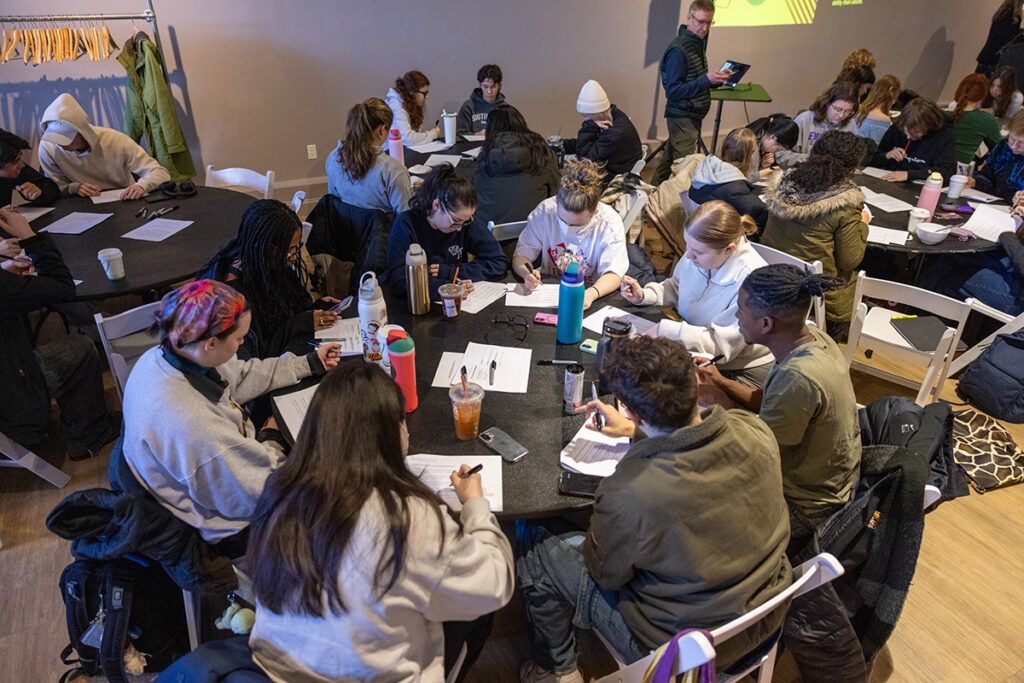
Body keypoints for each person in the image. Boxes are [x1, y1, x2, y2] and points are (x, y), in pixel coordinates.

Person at [516, 335, 792, 683]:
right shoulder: (755, 430)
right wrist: (636, 431)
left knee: (536, 539)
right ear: (695, 382)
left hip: (684, 654)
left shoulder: (629, 491)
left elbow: (605, 574)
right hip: (766, 619)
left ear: (629, 410)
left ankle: (555, 670)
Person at [247, 363, 513, 682]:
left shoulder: (278, 490)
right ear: (390, 432)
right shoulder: (407, 517)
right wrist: (475, 504)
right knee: (474, 610)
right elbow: (495, 583)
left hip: (282, 671)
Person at [122, 280, 340, 553]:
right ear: (211, 342)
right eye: (239, 339)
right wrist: (271, 439)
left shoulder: (167, 354)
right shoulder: (194, 423)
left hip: (222, 477)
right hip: (223, 526)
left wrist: (308, 363)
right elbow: (262, 493)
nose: (241, 345)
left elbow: (240, 374)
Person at [694, 264, 862, 520]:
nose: (736, 316)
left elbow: (760, 455)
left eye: (741, 310)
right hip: (828, 475)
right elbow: (768, 400)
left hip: (805, 505)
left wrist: (720, 403)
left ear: (765, 324)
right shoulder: (812, 338)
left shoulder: (799, 377)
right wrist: (720, 382)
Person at [0, 207, 120, 460]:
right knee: (80, 348)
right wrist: (28, 235)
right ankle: (89, 435)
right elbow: (63, 288)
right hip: (11, 402)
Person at [620, 199, 774, 385]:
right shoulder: (700, 250)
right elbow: (676, 286)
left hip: (737, 366)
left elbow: (721, 347)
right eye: (687, 245)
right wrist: (645, 295)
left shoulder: (750, 283)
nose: (689, 255)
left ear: (729, 250)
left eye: (698, 252)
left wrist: (666, 330)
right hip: (699, 345)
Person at [202, 199, 343, 360]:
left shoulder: (268, 264)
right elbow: (259, 355)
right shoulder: (234, 297)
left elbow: (289, 310)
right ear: (264, 247)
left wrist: (317, 308)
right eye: (289, 250)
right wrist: (300, 323)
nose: (294, 256)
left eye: (296, 248)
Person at [762, 131, 869, 336]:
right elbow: (850, 260)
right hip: (819, 295)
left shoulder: (784, 184)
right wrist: (863, 224)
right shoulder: (844, 204)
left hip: (774, 276)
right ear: (852, 166)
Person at [512, 158, 628, 310]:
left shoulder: (609, 222)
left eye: (577, 225)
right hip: (549, 289)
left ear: (595, 212)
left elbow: (614, 273)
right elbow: (520, 256)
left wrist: (591, 294)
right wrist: (526, 274)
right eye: (562, 220)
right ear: (557, 202)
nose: (567, 229)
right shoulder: (546, 211)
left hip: (591, 291)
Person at [384, 163, 506, 298]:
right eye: (455, 222)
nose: (460, 228)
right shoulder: (406, 224)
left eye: (466, 221)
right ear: (436, 205)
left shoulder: (463, 220)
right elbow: (398, 279)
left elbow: (498, 261)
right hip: (418, 304)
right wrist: (447, 289)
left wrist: (453, 273)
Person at [653, 0, 733, 184]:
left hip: (690, 115)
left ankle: (650, 198)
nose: (705, 28)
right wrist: (706, 79)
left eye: (709, 23)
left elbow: (692, 81)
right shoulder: (679, 50)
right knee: (684, 171)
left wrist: (715, 80)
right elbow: (673, 91)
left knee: (667, 164)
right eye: (701, 21)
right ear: (689, 18)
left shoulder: (695, 43)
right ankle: (676, 209)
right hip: (682, 116)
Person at [37, 93, 170, 199]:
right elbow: (53, 189)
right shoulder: (47, 147)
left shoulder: (115, 140)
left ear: (82, 132)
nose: (61, 145)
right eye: (56, 139)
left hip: (123, 201)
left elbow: (160, 173)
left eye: (67, 139)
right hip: (81, 207)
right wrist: (74, 188)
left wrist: (142, 186)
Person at [474, 104, 560, 229]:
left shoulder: (485, 159)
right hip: (537, 235)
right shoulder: (542, 153)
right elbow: (557, 193)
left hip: (493, 239)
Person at [326, 97, 412, 215]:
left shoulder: (333, 157)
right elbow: (405, 220)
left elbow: (333, 204)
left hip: (345, 230)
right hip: (384, 232)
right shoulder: (393, 170)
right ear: (382, 130)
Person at [688, 128, 769, 228]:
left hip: (699, 231)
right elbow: (761, 211)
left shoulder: (706, 172)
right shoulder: (736, 190)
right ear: (750, 156)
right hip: (722, 237)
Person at [776, 82, 861, 168]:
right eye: (838, 109)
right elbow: (780, 155)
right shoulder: (804, 119)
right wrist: (812, 159)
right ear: (827, 103)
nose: (841, 115)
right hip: (802, 171)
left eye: (848, 111)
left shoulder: (850, 124)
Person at [872, 97, 957, 182]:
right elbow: (874, 158)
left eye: (915, 133)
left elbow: (947, 171)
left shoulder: (944, 137)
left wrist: (909, 174)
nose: (908, 137)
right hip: (888, 178)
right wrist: (887, 155)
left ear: (928, 126)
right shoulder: (897, 128)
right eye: (905, 132)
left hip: (919, 185)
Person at [573, 80, 643, 179]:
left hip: (619, 177)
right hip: (620, 167)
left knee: (575, 177)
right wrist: (565, 144)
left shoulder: (615, 133)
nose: (585, 121)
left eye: (587, 117)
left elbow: (585, 161)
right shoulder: (615, 116)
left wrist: (589, 127)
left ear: (597, 114)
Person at [969, 110, 1024, 200]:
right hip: (990, 202)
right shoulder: (1004, 146)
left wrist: (1019, 200)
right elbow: (987, 175)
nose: (1014, 146)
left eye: (1021, 143)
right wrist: (975, 182)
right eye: (1012, 139)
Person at [951, 73, 1003, 165]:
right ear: (983, 95)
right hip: (962, 171)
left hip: (934, 168)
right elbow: (999, 151)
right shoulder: (986, 119)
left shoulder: (941, 115)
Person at [0, 130, 59, 207]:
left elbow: (50, 188)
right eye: (15, 162)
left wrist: (39, 192)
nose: (22, 165)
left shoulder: (17, 169)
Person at [386, 71, 441, 147]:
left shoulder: (411, 104)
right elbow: (408, 139)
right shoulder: (396, 107)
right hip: (390, 153)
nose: (426, 97)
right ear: (412, 92)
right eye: (424, 93)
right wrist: (432, 134)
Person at [457, 64, 507, 136]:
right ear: (480, 85)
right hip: (472, 146)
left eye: (493, 87)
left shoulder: (505, 108)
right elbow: (459, 135)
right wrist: (476, 135)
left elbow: (512, 136)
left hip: (497, 146)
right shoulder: (468, 106)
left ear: (499, 86)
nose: (489, 91)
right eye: (485, 86)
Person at [977, 0, 1023, 77]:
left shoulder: (1000, 14)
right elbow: (1009, 41)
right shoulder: (1014, 19)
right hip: (995, 60)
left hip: (985, 56)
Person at [745, 113, 799, 179]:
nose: (774, 153)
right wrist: (767, 171)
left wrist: (763, 165)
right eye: (778, 149)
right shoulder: (749, 145)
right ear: (773, 137)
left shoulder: (760, 142)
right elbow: (743, 179)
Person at [855, 74, 902, 145]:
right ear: (891, 95)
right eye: (895, 98)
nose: (894, 102)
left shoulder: (859, 109)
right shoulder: (883, 119)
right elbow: (878, 146)